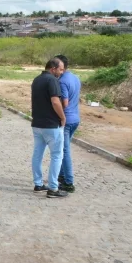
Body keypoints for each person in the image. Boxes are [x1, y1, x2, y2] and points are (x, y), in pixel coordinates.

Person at [31, 58, 68, 198]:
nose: (62, 72)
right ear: (53, 68)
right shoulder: (52, 80)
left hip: (37, 123)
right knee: (57, 155)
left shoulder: (36, 79)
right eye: (60, 69)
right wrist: (63, 117)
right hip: (51, 124)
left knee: (37, 154)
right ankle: (53, 188)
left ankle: (38, 184)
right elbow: (55, 101)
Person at [56, 54, 80, 193]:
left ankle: (69, 182)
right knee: (63, 149)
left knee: (64, 151)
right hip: (75, 118)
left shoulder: (62, 81)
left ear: (61, 67)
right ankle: (61, 175)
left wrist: (58, 115)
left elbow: (64, 103)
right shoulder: (75, 77)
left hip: (67, 120)